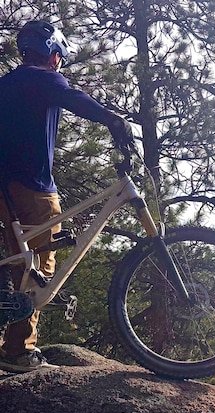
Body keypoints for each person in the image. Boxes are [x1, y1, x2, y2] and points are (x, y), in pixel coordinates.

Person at [0, 20, 134, 373]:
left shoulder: (7, 83)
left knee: (19, 264)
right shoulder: (45, 79)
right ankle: (18, 351)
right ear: (53, 53)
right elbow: (77, 100)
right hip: (32, 187)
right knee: (37, 274)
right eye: (59, 55)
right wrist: (114, 121)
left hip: (5, 186)